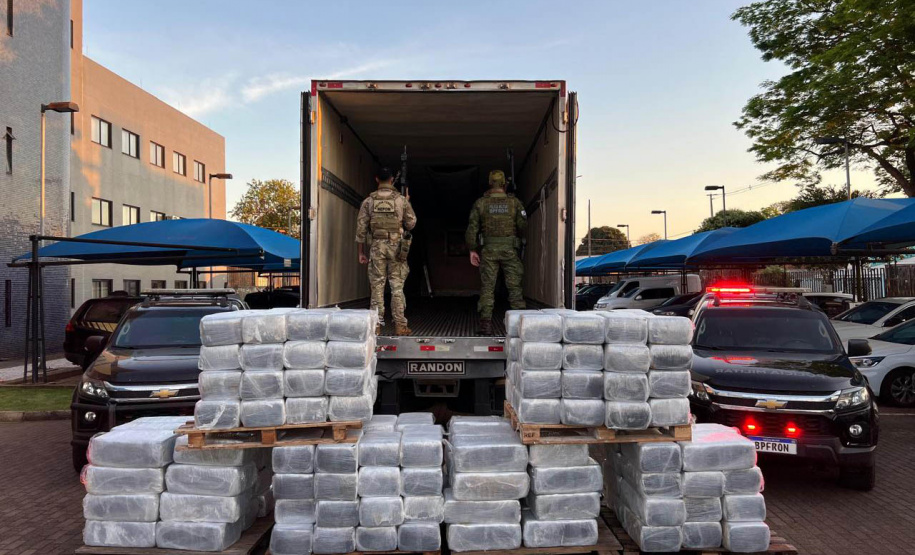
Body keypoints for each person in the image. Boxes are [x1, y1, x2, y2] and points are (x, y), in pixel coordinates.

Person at [356, 167, 417, 335]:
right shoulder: (400, 200)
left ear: (377, 179)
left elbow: (361, 229)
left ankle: (376, 326)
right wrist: (407, 201)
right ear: (391, 179)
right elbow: (411, 224)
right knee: (397, 287)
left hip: (377, 247)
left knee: (377, 287)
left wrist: (361, 252)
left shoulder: (369, 201)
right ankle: (400, 326)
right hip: (396, 247)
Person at [465, 169, 527, 335]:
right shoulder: (515, 203)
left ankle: (485, 326)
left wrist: (472, 250)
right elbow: (523, 226)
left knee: (487, 288)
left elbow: (472, 228)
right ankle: (520, 328)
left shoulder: (480, 203)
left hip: (489, 251)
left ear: (490, 183)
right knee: (514, 288)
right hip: (509, 251)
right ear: (504, 184)